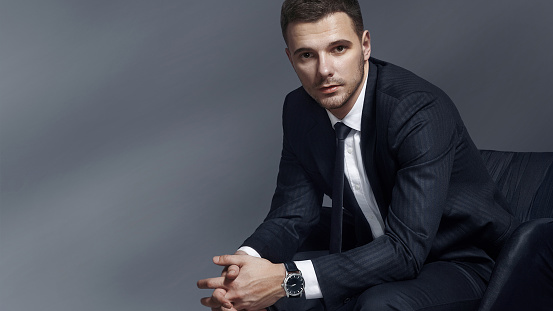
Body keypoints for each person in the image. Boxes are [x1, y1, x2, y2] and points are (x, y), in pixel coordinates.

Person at [197, 0, 519, 310]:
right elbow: (292, 215)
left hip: (461, 261)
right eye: (307, 55)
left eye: (338, 49)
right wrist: (243, 270)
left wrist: (285, 280)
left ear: (365, 46)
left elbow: (406, 251)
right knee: (260, 299)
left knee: (374, 303)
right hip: (373, 250)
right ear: (290, 58)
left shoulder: (417, 110)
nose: (324, 70)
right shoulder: (299, 110)